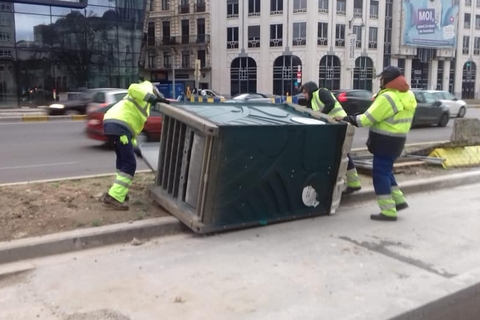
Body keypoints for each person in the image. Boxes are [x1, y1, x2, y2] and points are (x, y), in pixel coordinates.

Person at [335, 66, 417, 221]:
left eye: (382, 78)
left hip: (385, 141)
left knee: (380, 175)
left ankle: (388, 211)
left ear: (388, 80)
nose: (380, 81)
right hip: (398, 140)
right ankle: (398, 201)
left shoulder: (387, 98)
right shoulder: (408, 95)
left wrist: (346, 119)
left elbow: (367, 119)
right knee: (386, 171)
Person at [101, 80, 171, 210]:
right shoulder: (146, 88)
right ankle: (114, 197)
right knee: (130, 164)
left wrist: (135, 146)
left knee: (122, 161)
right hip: (119, 125)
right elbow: (132, 88)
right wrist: (153, 99)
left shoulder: (141, 103)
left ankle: (120, 192)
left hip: (115, 125)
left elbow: (132, 126)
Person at [300, 82, 362, 195]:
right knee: (341, 154)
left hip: (341, 123)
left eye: (305, 92)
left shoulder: (321, 92)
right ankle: (353, 183)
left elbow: (330, 103)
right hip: (334, 126)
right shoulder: (312, 101)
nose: (304, 95)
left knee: (342, 154)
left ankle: (354, 184)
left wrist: (321, 117)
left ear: (309, 90)